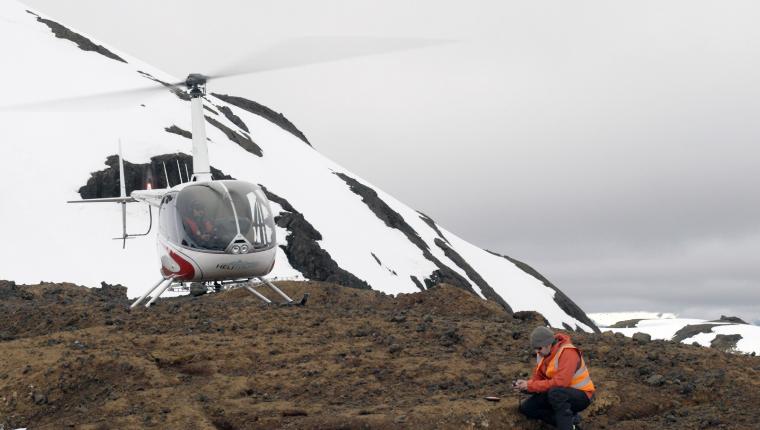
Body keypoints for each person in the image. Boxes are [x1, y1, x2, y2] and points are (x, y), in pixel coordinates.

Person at [514, 326, 595, 430]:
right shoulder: (542, 354)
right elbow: (538, 381)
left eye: (539, 348)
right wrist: (525, 386)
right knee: (527, 408)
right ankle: (572, 423)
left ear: (548, 344)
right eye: (535, 348)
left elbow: (561, 383)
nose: (537, 352)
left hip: (582, 396)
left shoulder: (568, 352)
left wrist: (530, 385)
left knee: (556, 393)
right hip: (559, 393)